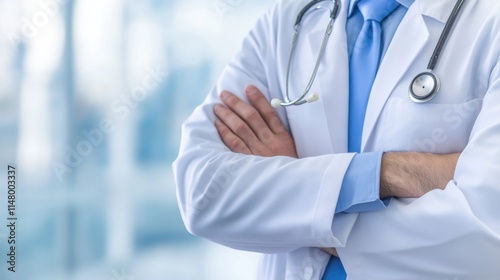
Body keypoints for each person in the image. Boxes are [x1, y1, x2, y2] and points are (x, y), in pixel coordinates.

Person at [173, 0, 500, 278]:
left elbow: (486, 241)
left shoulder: (489, 20)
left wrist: (299, 201)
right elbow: (201, 191)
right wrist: (389, 172)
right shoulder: (291, 17)